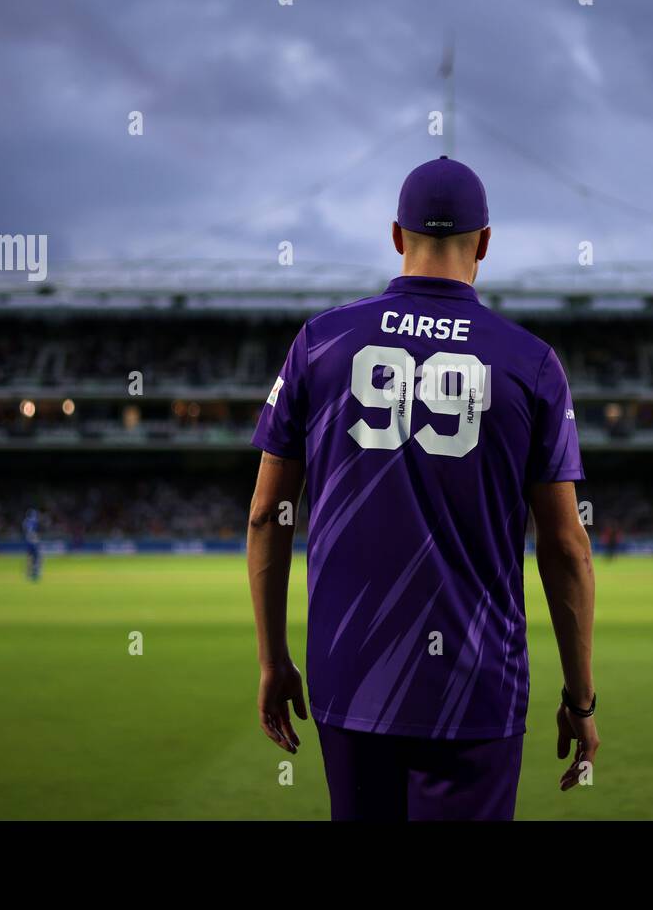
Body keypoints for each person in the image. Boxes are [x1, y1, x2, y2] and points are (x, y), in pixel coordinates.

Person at [247, 156, 599, 821]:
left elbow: (268, 513)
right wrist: (580, 699)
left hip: (350, 672)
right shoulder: (532, 363)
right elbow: (566, 545)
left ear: (395, 235)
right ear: (486, 243)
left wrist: (274, 659)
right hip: (476, 686)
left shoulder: (320, 343)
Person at [22, 508, 42, 582]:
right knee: (37, 558)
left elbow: (25, 530)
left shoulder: (25, 521)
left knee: (29, 558)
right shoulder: (34, 521)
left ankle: (28, 574)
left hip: (28, 541)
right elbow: (35, 531)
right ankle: (36, 573)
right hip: (34, 541)